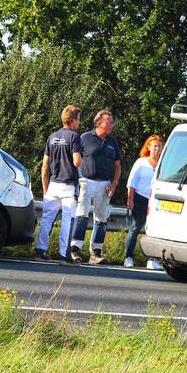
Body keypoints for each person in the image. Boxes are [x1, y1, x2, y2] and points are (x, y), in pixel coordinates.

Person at [69, 109, 121, 264]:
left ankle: (96, 253)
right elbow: (75, 159)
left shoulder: (113, 141)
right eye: (108, 122)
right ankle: (74, 249)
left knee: (101, 218)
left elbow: (117, 165)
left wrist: (114, 183)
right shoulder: (85, 138)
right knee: (82, 215)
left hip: (105, 184)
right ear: (99, 123)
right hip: (86, 181)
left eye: (112, 122)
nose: (111, 124)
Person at [34, 105, 83, 262]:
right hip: (68, 185)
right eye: (78, 120)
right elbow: (76, 162)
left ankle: (40, 251)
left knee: (47, 219)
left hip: (53, 184)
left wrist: (45, 187)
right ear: (73, 120)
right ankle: (64, 255)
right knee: (68, 219)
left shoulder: (52, 137)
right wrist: (81, 158)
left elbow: (45, 165)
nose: (79, 123)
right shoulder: (74, 137)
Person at [123, 135, 164, 268]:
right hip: (140, 198)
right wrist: (130, 199)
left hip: (156, 201)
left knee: (154, 231)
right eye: (155, 146)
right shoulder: (141, 162)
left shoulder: (164, 163)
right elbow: (132, 182)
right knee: (135, 228)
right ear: (149, 147)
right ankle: (128, 257)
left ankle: (152, 260)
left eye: (160, 146)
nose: (157, 149)